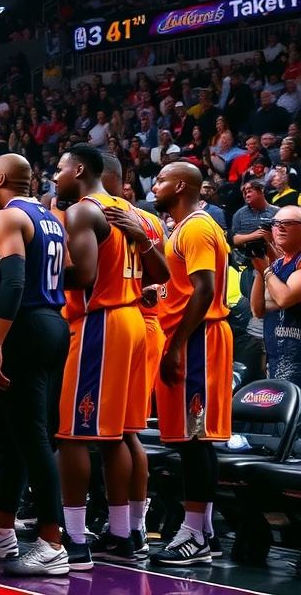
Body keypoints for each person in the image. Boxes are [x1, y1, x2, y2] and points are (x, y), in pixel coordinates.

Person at [53, 144, 167, 568]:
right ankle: (124, 534)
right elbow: (163, 275)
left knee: (72, 436)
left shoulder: (83, 210)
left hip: (99, 323)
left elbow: (83, 275)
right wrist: (140, 240)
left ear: (79, 170)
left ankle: (74, 539)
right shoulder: (133, 213)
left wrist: (37, 269)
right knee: (120, 434)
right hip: (133, 320)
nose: (55, 176)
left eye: (60, 169)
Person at [0, 153, 72, 576]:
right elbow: (70, 272)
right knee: (9, 433)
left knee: (31, 436)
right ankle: (2, 530)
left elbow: (13, 281)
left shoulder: (6, 217)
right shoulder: (51, 220)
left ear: (0, 179)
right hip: (54, 321)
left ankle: (52, 543)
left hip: (24, 325)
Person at [149, 161, 234, 566]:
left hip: (198, 337)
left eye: (162, 180)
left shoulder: (197, 227)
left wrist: (178, 345)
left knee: (197, 440)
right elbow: (186, 286)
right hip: (191, 334)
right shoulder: (184, 228)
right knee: (191, 440)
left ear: (181, 186)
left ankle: (195, 534)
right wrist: (160, 291)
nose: (155, 185)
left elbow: (204, 290)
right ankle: (206, 532)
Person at [101, 154, 170, 557]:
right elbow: (164, 280)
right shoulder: (150, 220)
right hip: (142, 325)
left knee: (120, 433)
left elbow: (163, 283)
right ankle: (130, 525)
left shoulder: (107, 214)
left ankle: (127, 525)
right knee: (126, 432)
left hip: (126, 322)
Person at [252, 205, 301, 386]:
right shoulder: (276, 264)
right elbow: (257, 310)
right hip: (277, 360)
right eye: (276, 223)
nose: (280, 227)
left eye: (288, 223)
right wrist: (260, 269)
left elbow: (284, 299)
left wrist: (266, 271)